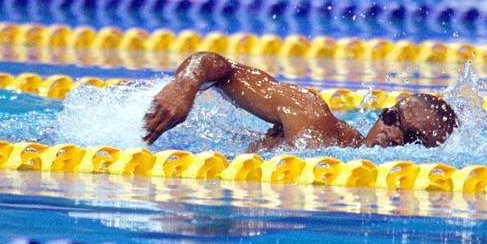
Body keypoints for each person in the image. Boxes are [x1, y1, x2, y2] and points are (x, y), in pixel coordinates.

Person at [142, 52, 458, 153]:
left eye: (412, 137)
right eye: (391, 118)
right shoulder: (311, 117)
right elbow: (219, 67)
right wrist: (185, 84)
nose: (393, 135)